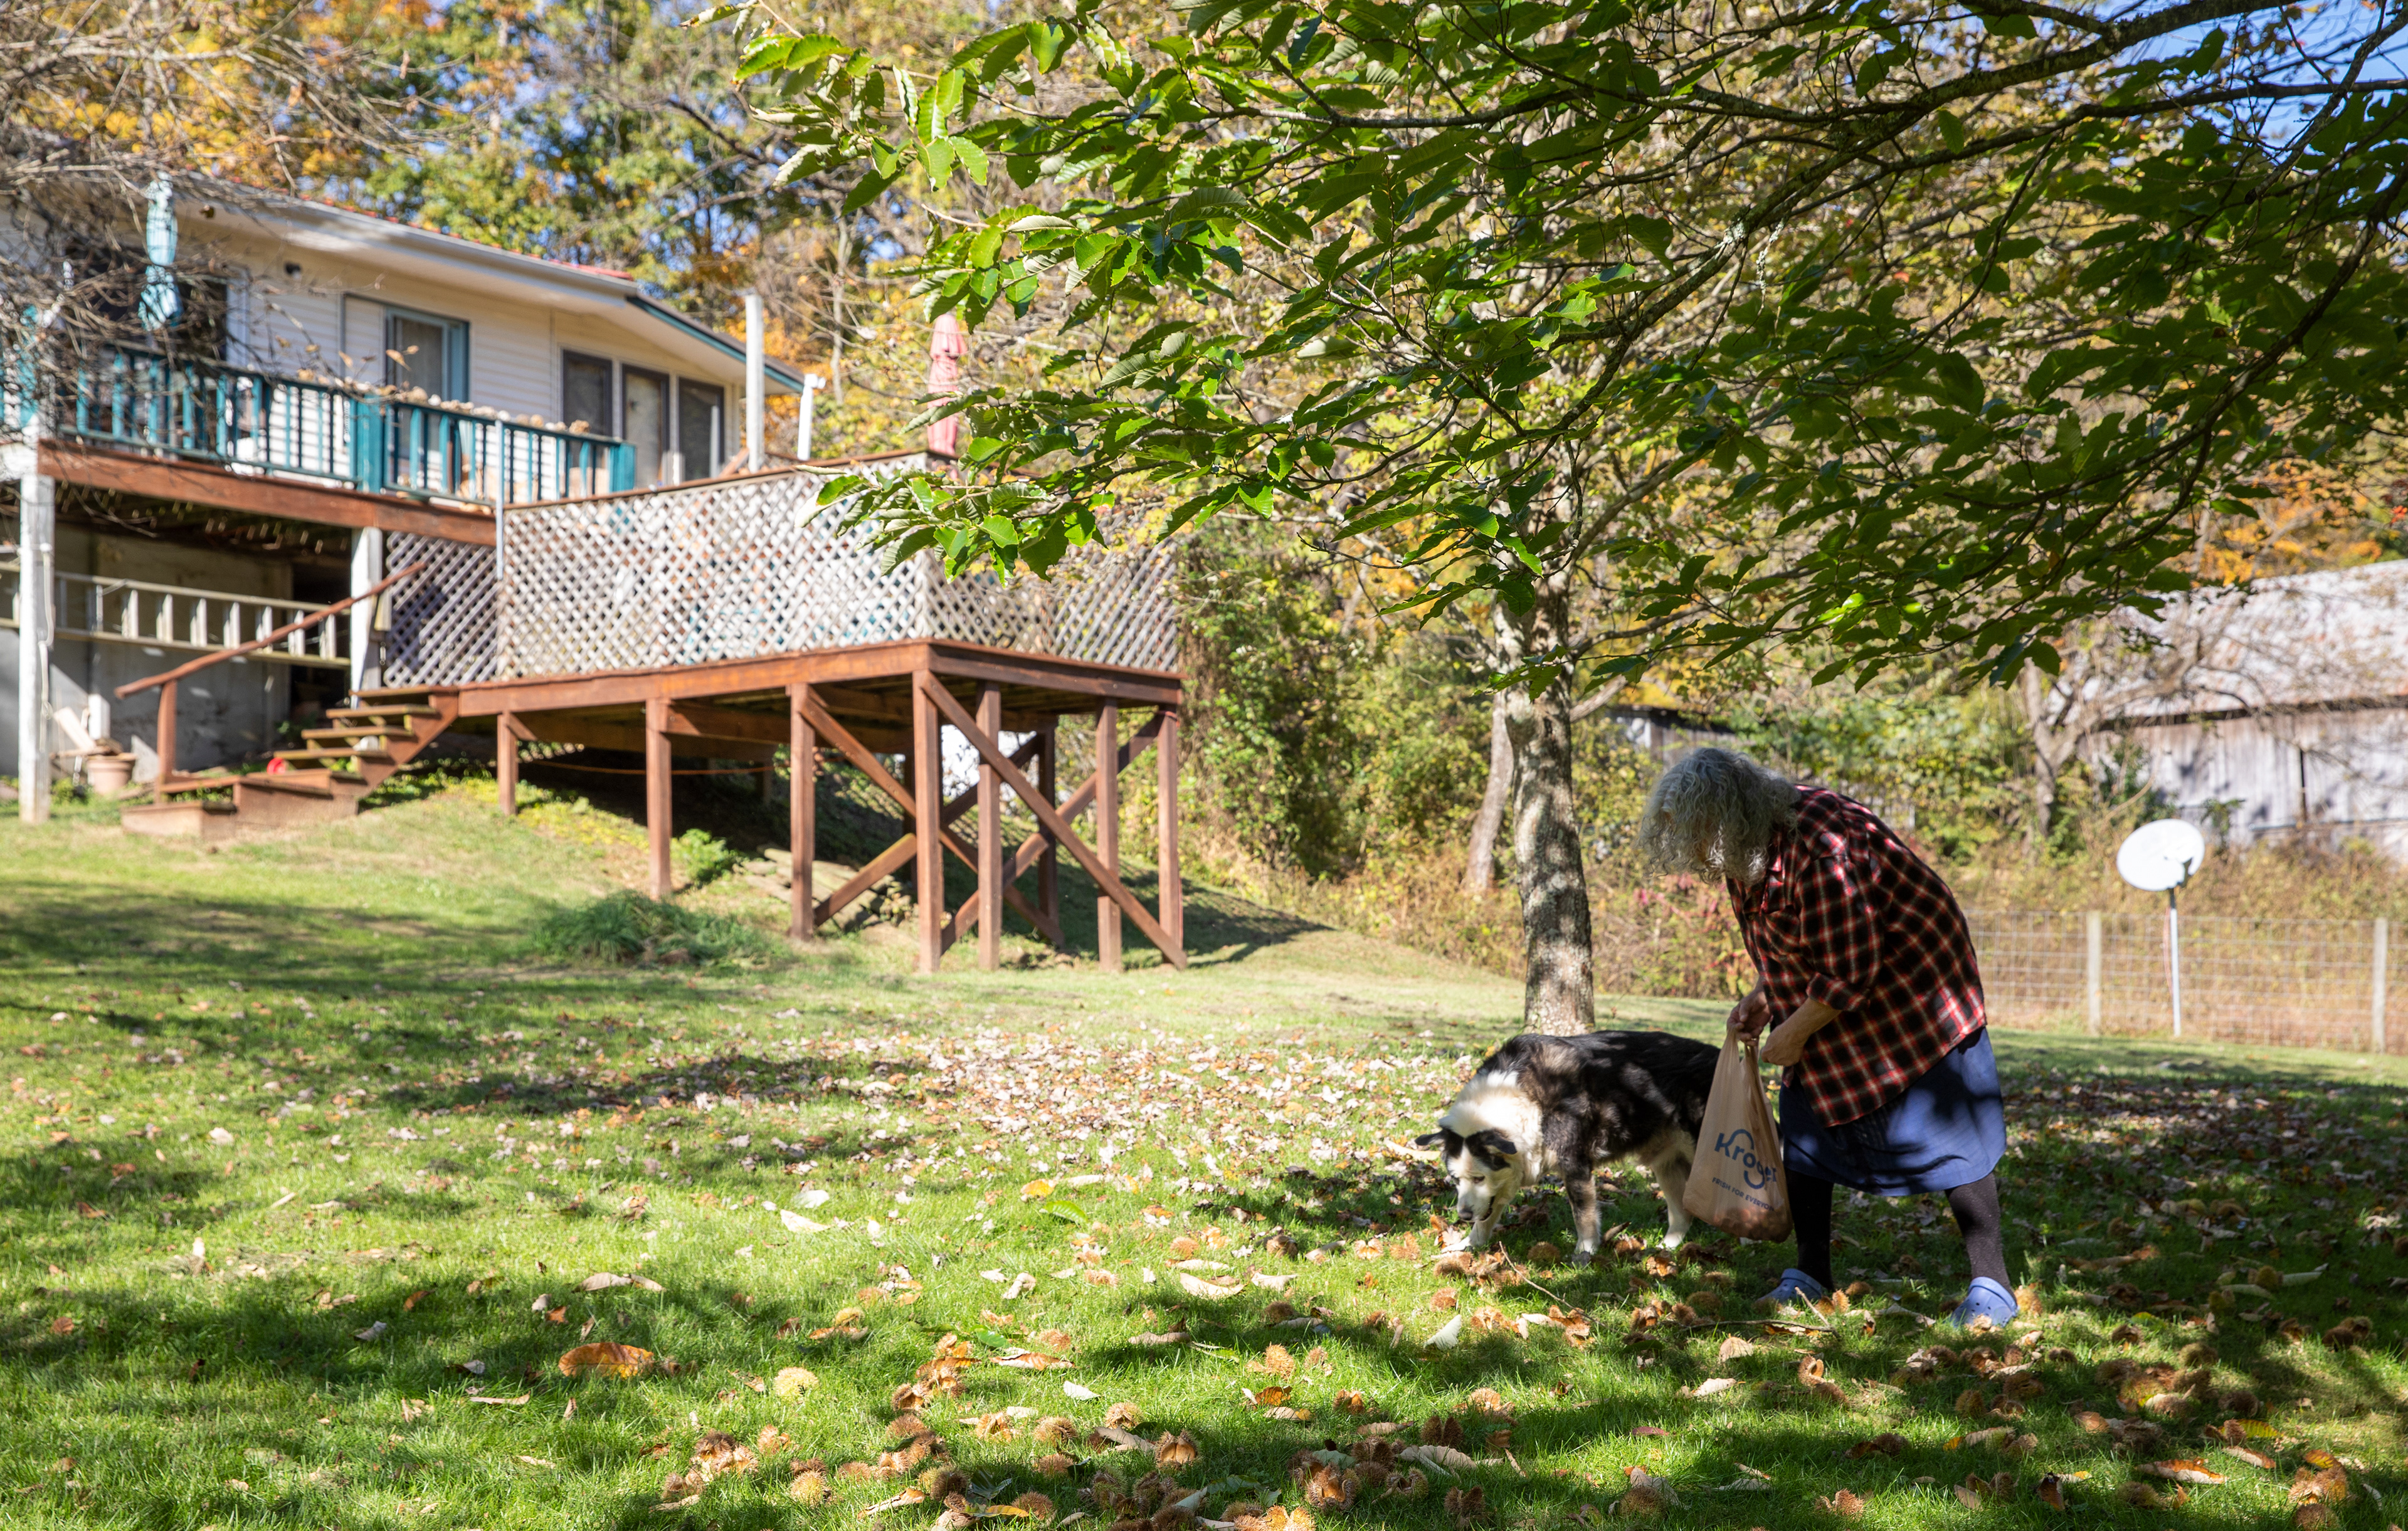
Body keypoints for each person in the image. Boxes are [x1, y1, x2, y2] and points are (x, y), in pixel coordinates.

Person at [1638, 747, 2014, 1327]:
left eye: (1697, 834)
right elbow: (1793, 943)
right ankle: (1811, 1276)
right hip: (1843, 989)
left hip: (1916, 995)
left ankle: (1992, 1285)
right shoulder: (1748, 852)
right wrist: (1766, 998)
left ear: (1731, 816)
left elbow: (1849, 969)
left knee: (1950, 1139)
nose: (1692, 853)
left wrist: (1792, 1033)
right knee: (1807, 1133)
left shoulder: (1823, 846)